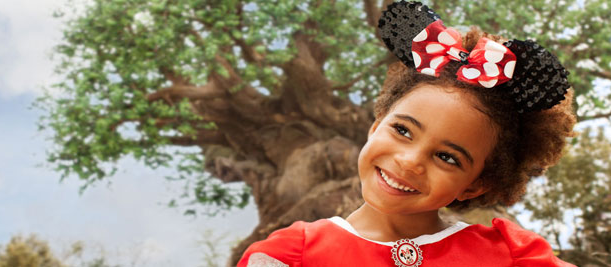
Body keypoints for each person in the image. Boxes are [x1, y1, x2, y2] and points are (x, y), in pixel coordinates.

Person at [238, 1, 577, 266]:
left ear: (476, 183)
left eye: (447, 157)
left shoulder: (512, 256)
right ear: (376, 124)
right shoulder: (290, 255)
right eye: (402, 130)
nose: (410, 161)